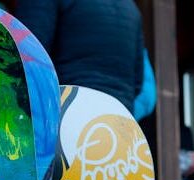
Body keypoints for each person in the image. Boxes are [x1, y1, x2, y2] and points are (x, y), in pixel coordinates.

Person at [15, 0, 144, 114]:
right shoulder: (131, 8)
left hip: (67, 115)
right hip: (120, 120)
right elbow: (138, 82)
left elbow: (25, 58)